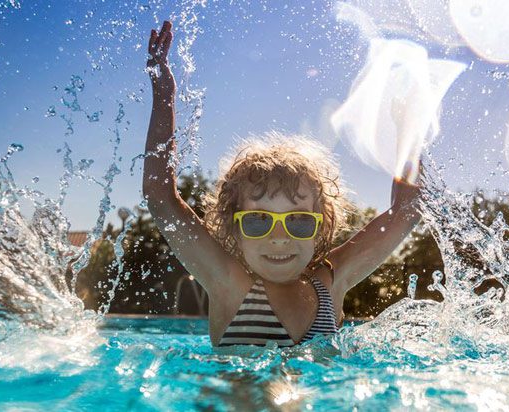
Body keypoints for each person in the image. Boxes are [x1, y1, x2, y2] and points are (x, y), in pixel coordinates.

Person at [142, 20, 422, 348]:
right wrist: (164, 96)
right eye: (259, 220)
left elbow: (407, 211)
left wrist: (409, 131)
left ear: (321, 227)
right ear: (235, 227)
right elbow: (160, 197)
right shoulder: (228, 282)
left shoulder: (330, 282)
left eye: (299, 222)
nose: (279, 238)